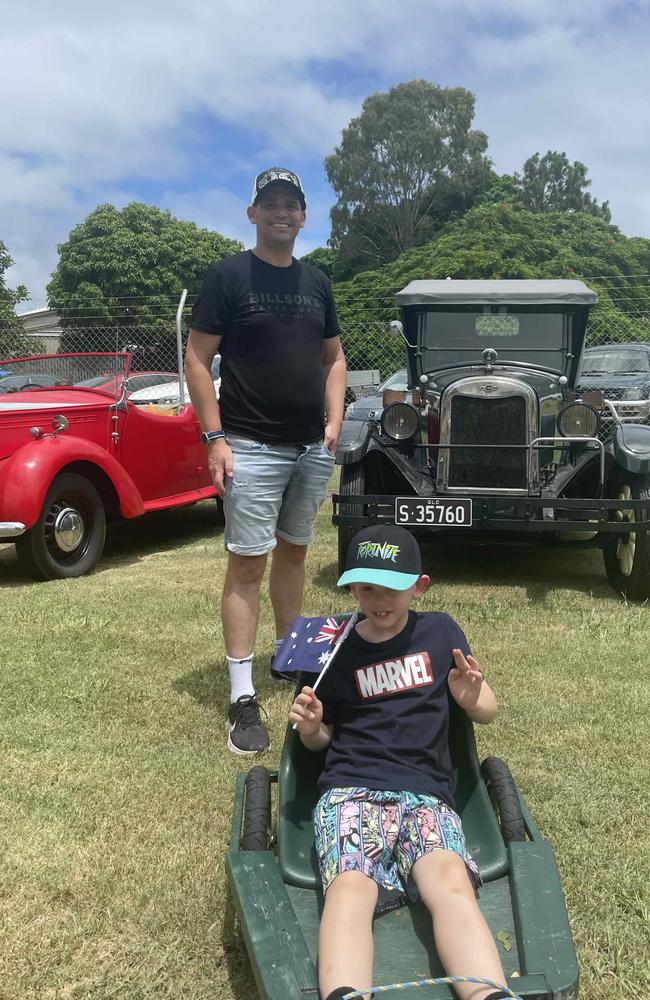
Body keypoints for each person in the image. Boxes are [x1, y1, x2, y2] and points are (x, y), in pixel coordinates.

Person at [289, 525, 510, 1000]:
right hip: (352, 787)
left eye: (392, 587)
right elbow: (321, 743)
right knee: (350, 886)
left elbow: (487, 711)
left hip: (426, 791)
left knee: (450, 881)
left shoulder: (440, 632)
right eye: (366, 587)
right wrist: (312, 730)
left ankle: (486, 993)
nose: (378, 600)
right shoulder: (332, 649)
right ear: (351, 586)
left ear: (419, 585)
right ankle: (345, 993)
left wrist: (473, 698)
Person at [185, 167, 346, 755]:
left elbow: (335, 358)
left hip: (309, 449)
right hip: (249, 445)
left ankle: (293, 660)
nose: (282, 212)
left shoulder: (317, 283)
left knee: (295, 556)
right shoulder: (227, 277)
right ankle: (241, 696)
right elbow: (198, 360)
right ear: (253, 213)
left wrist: (333, 423)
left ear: (304, 217)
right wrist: (215, 438)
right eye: (271, 203)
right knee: (247, 566)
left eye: (292, 204)